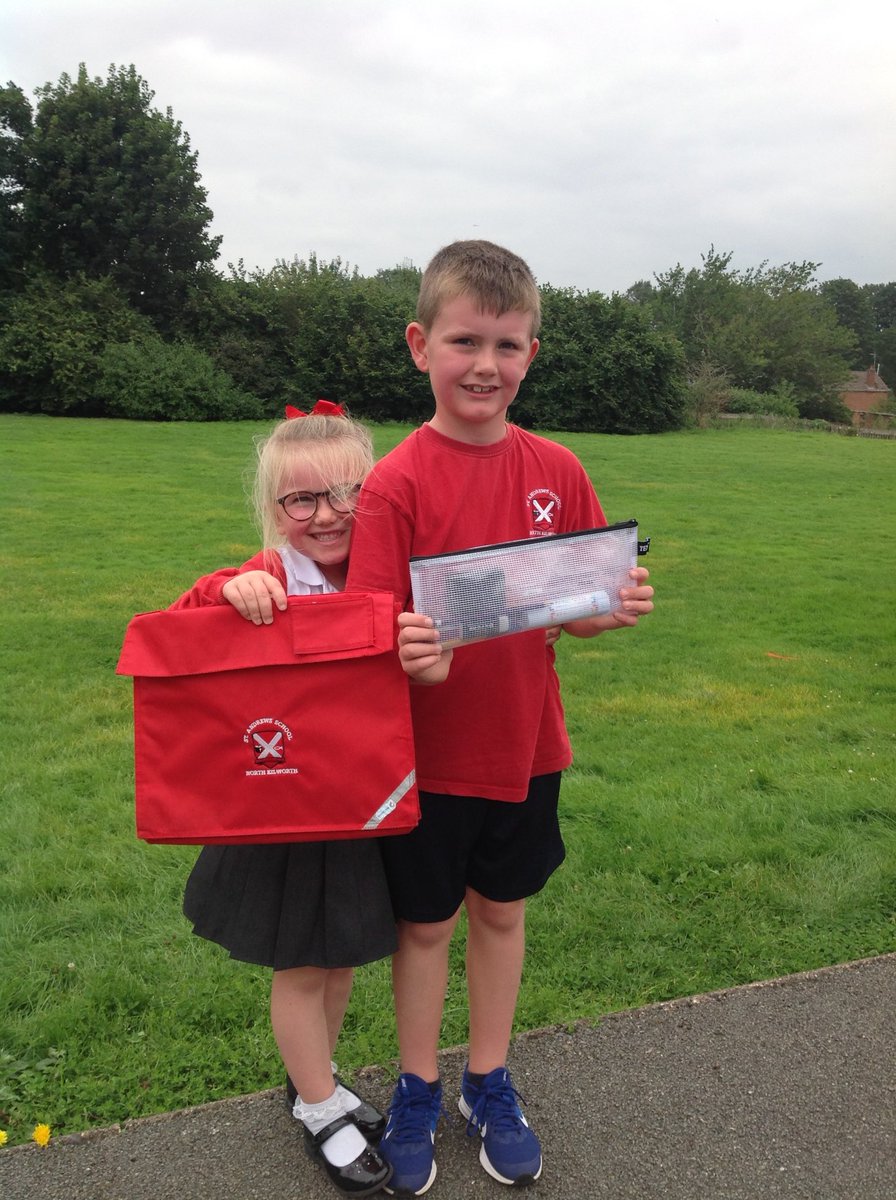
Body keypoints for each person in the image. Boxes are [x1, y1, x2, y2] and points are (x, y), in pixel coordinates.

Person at [345, 241, 654, 1195]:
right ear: (419, 345)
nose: (486, 364)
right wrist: (413, 657)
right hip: (428, 757)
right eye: (465, 340)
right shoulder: (396, 483)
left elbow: (576, 606)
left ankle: (488, 1077)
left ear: (531, 353)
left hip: (527, 744)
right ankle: (417, 1086)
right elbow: (368, 632)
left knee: (503, 914)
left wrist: (604, 613)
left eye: (507, 344)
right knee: (426, 927)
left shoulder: (557, 468)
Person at [171, 401, 394, 1197]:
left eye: (348, 493)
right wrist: (229, 590)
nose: (329, 514)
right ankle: (320, 1106)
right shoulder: (266, 577)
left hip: (358, 800)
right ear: (274, 511)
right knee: (302, 963)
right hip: (281, 806)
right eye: (303, 500)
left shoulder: (379, 572)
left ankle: (316, 1086)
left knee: (340, 955)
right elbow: (185, 625)